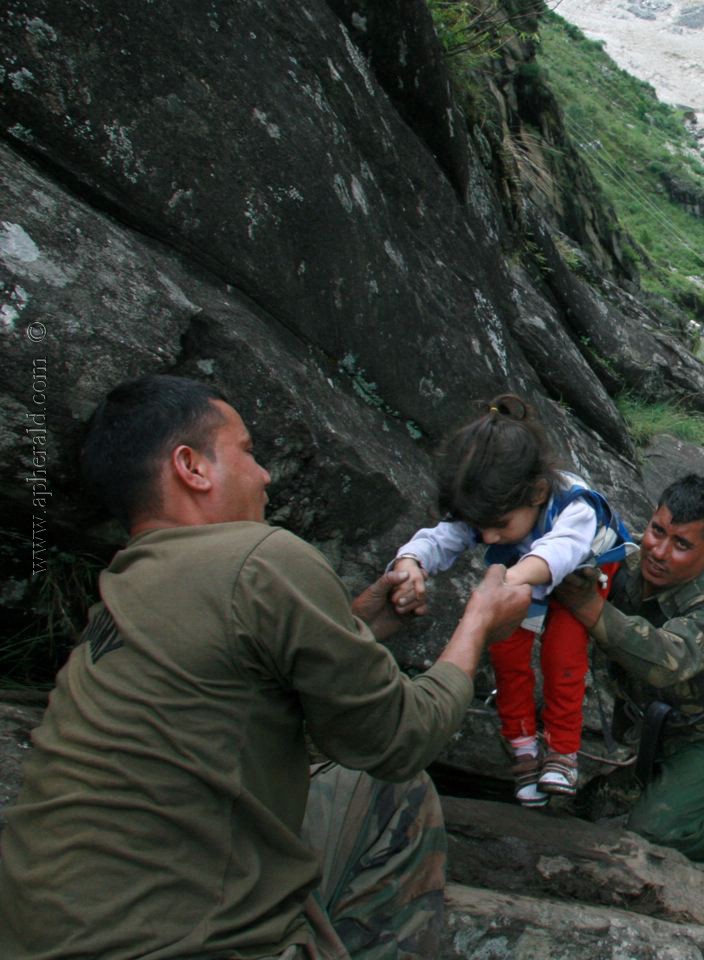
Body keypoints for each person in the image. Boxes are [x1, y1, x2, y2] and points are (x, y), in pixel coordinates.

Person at [0, 375, 531, 960]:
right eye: (248, 452)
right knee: (395, 788)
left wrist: (358, 624)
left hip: (36, 935)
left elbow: (235, 676)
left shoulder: (122, 591)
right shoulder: (261, 557)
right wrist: (479, 622)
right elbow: (400, 738)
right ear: (191, 467)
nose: (265, 475)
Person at [389, 395, 632, 806]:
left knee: (564, 650)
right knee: (506, 648)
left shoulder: (575, 507)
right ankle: (521, 748)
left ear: (537, 492)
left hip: (584, 571)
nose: (485, 537)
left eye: (497, 527)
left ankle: (562, 750)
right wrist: (411, 560)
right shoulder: (495, 509)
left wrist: (507, 581)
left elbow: (559, 551)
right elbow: (442, 536)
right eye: (479, 527)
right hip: (524, 569)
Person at [552, 475, 704, 866]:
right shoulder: (627, 562)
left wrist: (587, 605)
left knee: (652, 833)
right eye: (656, 531)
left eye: (681, 544)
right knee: (590, 804)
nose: (659, 552)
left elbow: (667, 660)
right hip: (652, 729)